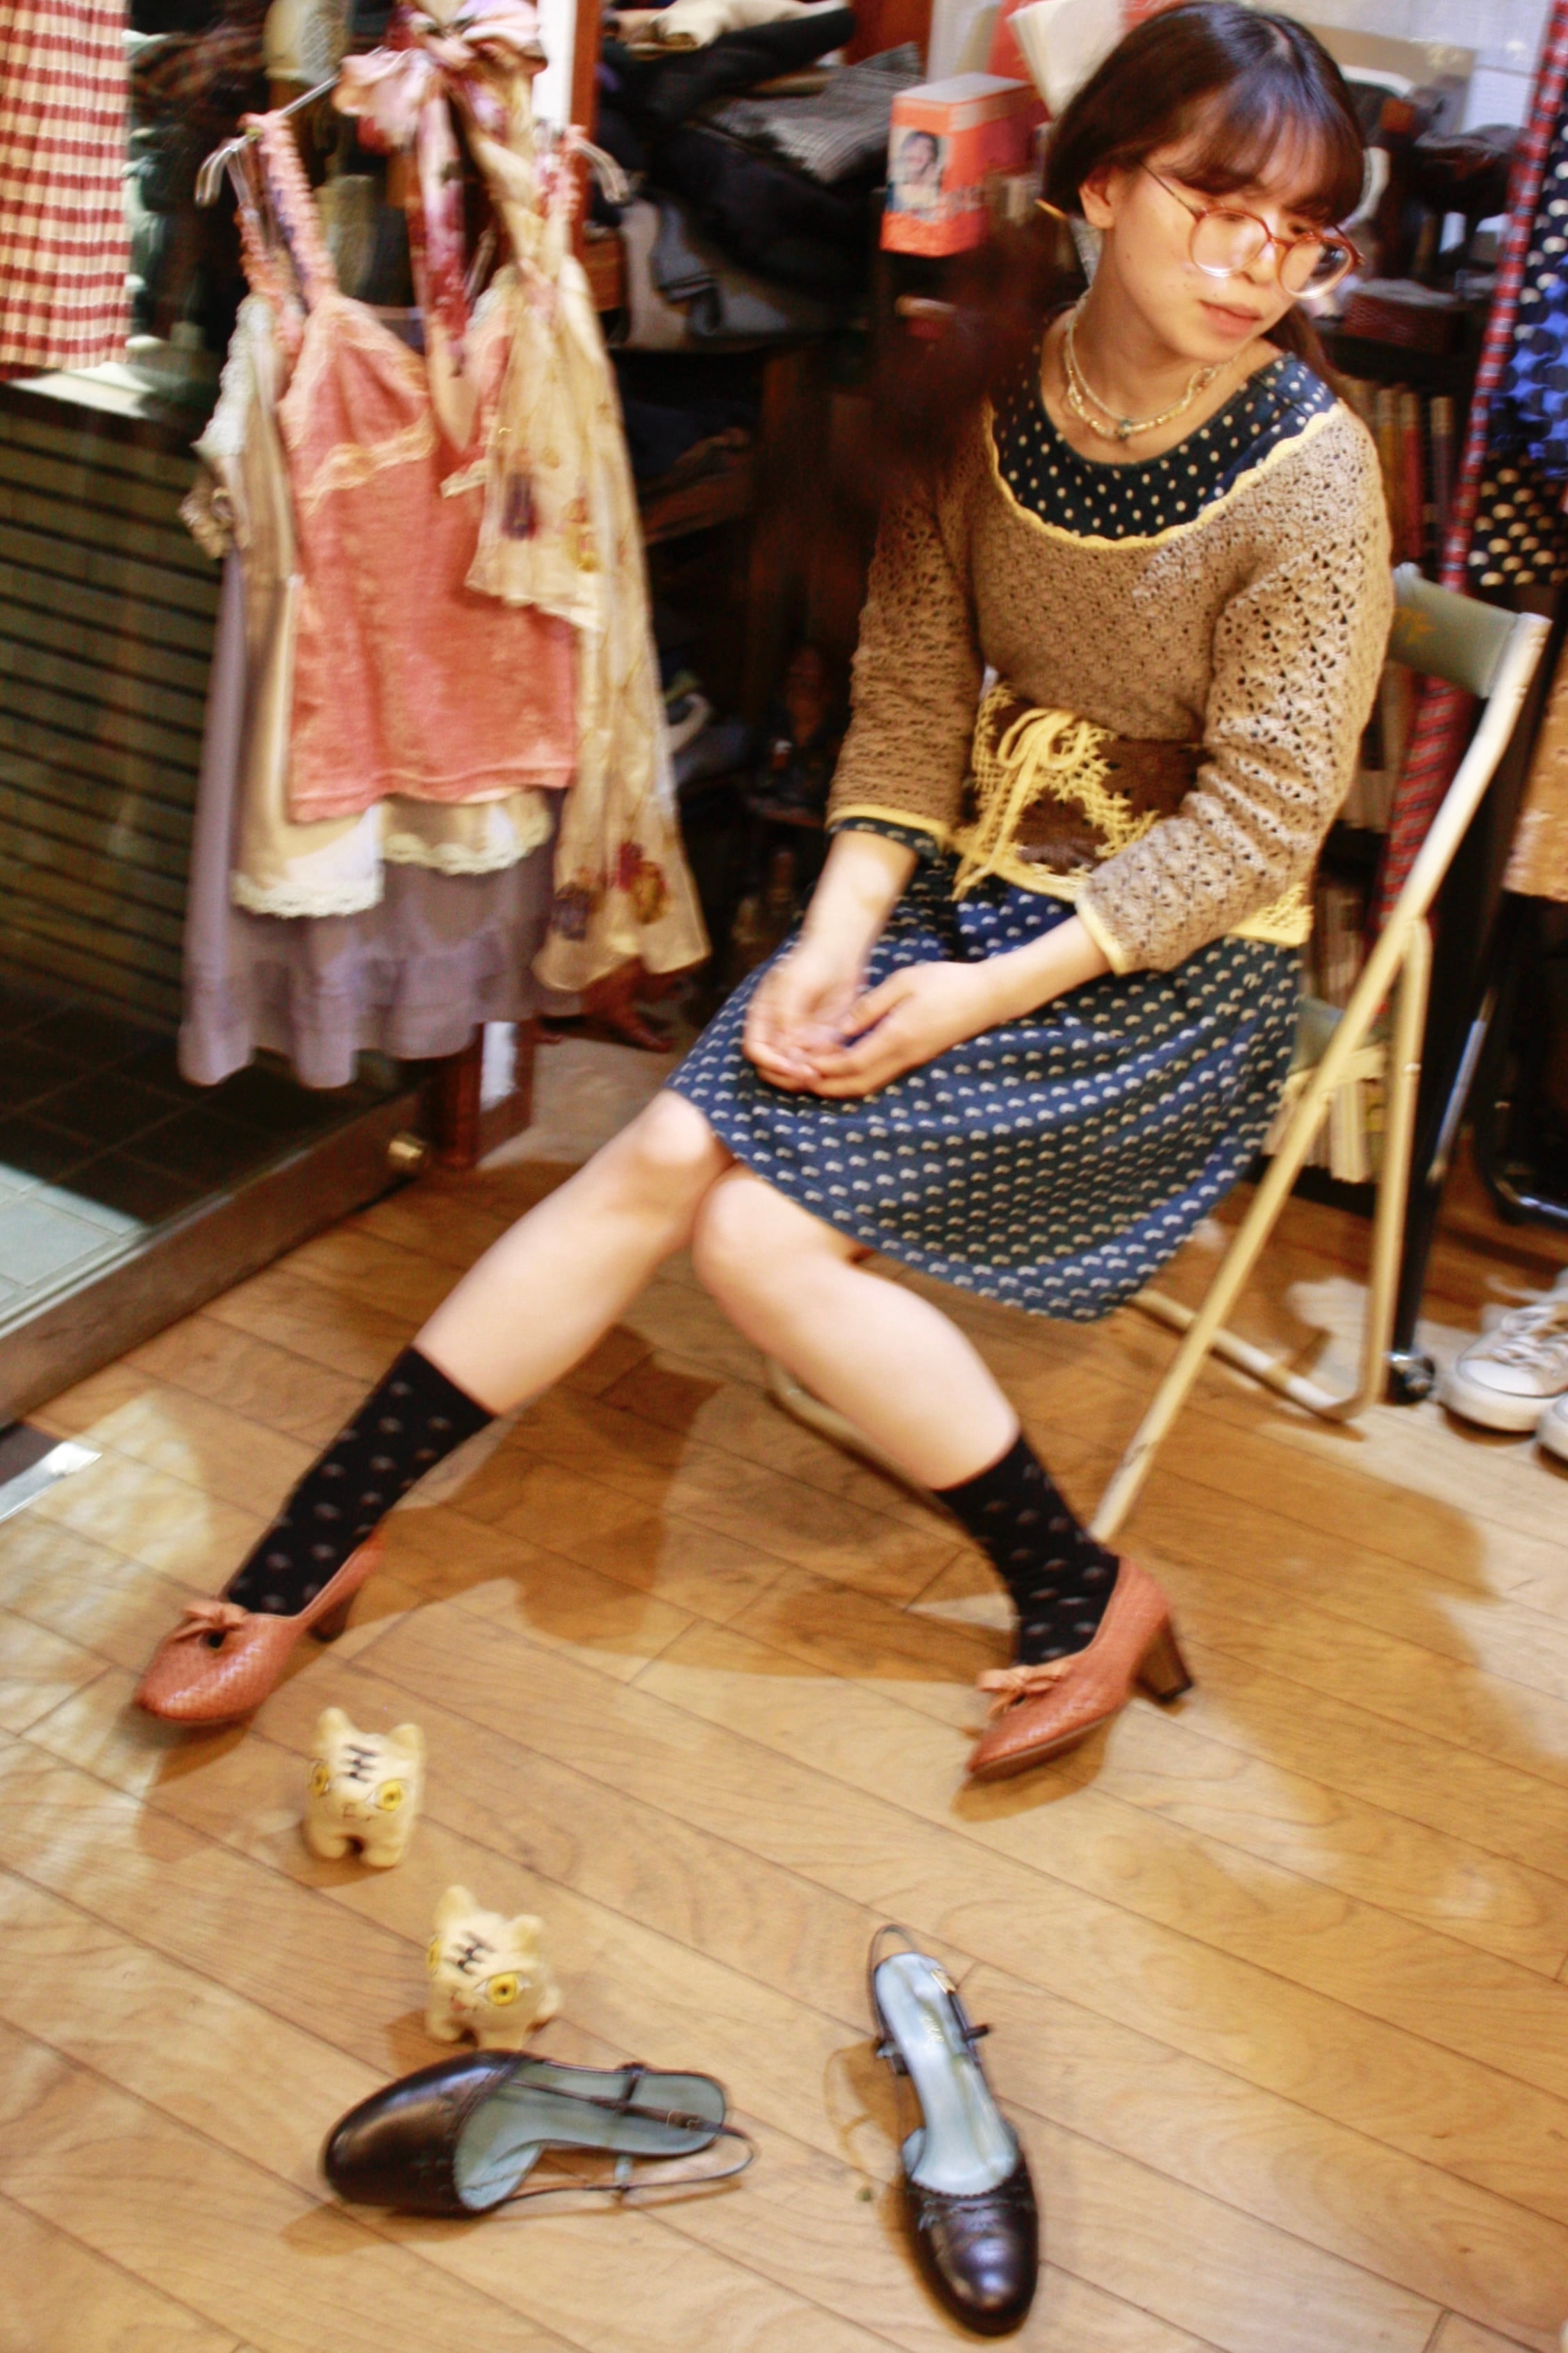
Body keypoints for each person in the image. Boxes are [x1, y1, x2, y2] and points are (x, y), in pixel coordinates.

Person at [137, 1, 1392, 1781]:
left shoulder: (1313, 475)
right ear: (1105, 185)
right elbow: (910, 701)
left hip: (1159, 972)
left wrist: (966, 993)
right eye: (1220, 204)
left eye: (1302, 232)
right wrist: (833, 937)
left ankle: (1077, 1589)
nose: (1258, 264)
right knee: (668, 1153)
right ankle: (309, 1544)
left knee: (746, 1232)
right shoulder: (993, 391)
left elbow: (1260, 827)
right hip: (965, 896)